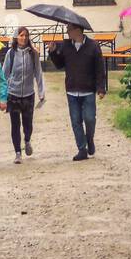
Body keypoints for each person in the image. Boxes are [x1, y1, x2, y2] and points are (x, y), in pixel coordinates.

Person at [48, 24, 106, 161]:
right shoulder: (66, 45)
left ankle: (89, 139)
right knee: (76, 121)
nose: (67, 32)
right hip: (72, 90)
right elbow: (59, 65)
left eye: (69, 30)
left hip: (88, 90)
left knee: (90, 119)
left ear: (78, 31)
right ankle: (82, 149)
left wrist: (101, 88)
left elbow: (99, 68)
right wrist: (53, 52)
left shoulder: (93, 46)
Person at [2, 26, 45, 163]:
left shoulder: (33, 53)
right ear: (16, 37)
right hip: (13, 94)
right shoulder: (11, 53)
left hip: (28, 94)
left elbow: (38, 73)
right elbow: (4, 74)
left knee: (28, 124)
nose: (24, 38)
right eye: (21, 35)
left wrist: (41, 92)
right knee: (15, 124)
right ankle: (17, 153)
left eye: (26, 36)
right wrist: (3, 95)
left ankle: (27, 140)